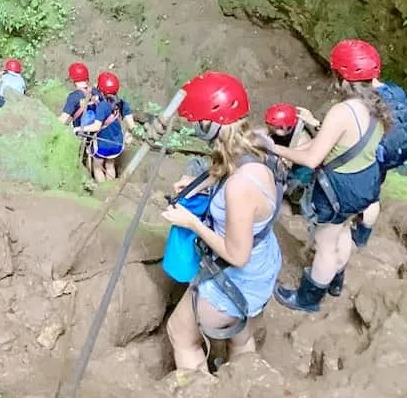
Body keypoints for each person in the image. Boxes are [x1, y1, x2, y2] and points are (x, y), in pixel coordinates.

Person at [161, 70, 282, 372]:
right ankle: (246, 381)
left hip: (238, 277)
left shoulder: (240, 187)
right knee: (240, 339)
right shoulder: (257, 144)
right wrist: (198, 183)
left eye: (197, 120)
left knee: (180, 334)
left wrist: (192, 223)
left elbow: (237, 255)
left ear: (209, 123)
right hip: (263, 267)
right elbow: (230, 167)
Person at [270, 39, 392, 311]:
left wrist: (275, 148)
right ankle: (336, 280)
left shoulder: (342, 112)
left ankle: (308, 298)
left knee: (325, 244)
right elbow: (344, 143)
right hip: (366, 181)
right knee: (343, 231)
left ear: (340, 77)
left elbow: (312, 158)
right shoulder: (380, 102)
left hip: (339, 189)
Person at [344, 40, 407, 247]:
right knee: (374, 192)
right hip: (394, 151)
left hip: (376, 154)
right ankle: (363, 237)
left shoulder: (365, 102)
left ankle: (356, 238)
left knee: (366, 193)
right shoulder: (396, 91)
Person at [79, 71, 137, 182]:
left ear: (101, 89)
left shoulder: (102, 106)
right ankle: (110, 187)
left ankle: (102, 190)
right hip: (117, 143)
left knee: (98, 168)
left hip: (102, 145)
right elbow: (131, 125)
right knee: (110, 165)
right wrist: (129, 135)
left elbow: (96, 127)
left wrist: (80, 129)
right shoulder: (122, 103)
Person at [263, 102, 318, 203]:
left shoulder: (301, 139)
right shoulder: (282, 130)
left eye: (272, 126)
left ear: (283, 128)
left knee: (295, 186)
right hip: (286, 153)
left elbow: (289, 162)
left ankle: (296, 198)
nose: (269, 128)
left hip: (300, 170)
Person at [58, 62, 93, 126]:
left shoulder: (74, 97)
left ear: (72, 79)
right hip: (94, 132)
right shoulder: (95, 92)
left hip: (80, 132)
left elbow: (63, 119)